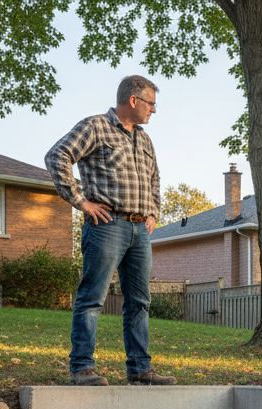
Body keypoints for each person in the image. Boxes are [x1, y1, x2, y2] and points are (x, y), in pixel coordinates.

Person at [46, 74, 175, 385]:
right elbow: (57, 156)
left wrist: (153, 212)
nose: (154, 110)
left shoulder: (144, 139)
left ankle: (141, 370)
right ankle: (82, 369)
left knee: (140, 302)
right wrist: (81, 201)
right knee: (92, 298)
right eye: (151, 104)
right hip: (106, 226)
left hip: (139, 230)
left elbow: (154, 178)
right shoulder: (95, 127)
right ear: (133, 100)